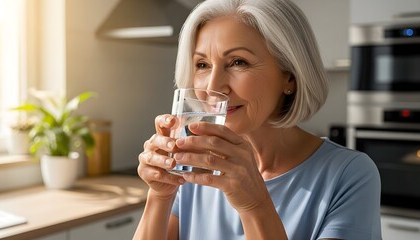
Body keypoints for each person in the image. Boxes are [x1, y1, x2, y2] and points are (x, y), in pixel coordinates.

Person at [134, 0, 382, 239]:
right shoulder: (193, 165)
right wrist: (160, 195)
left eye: (238, 62)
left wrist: (255, 205)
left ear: (290, 77)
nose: (213, 86)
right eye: (202, 64)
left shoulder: (349, 174)